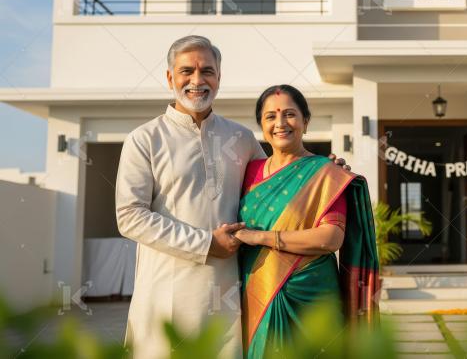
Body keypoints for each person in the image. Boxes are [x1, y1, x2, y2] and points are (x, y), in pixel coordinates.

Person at [115, 36, 347, 358]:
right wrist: (206, 242)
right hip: (166, 294)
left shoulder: (239, 137)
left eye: (207, 71)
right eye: (186, 71)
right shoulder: (145, 139)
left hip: (230, 298)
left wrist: (323, 170)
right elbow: (130, 217)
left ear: (219, 77)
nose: (197, 80)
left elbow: (280, 179)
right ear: (170, 78)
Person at [233, 84, 380, 358]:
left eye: (289, 114)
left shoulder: (326, 172)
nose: (280, 123)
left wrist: (262, 237)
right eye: (270, 117)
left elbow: (331, 238)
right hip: (258, 293)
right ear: (261, 125)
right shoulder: (246, 172)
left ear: (305, 121)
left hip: (312, 294)